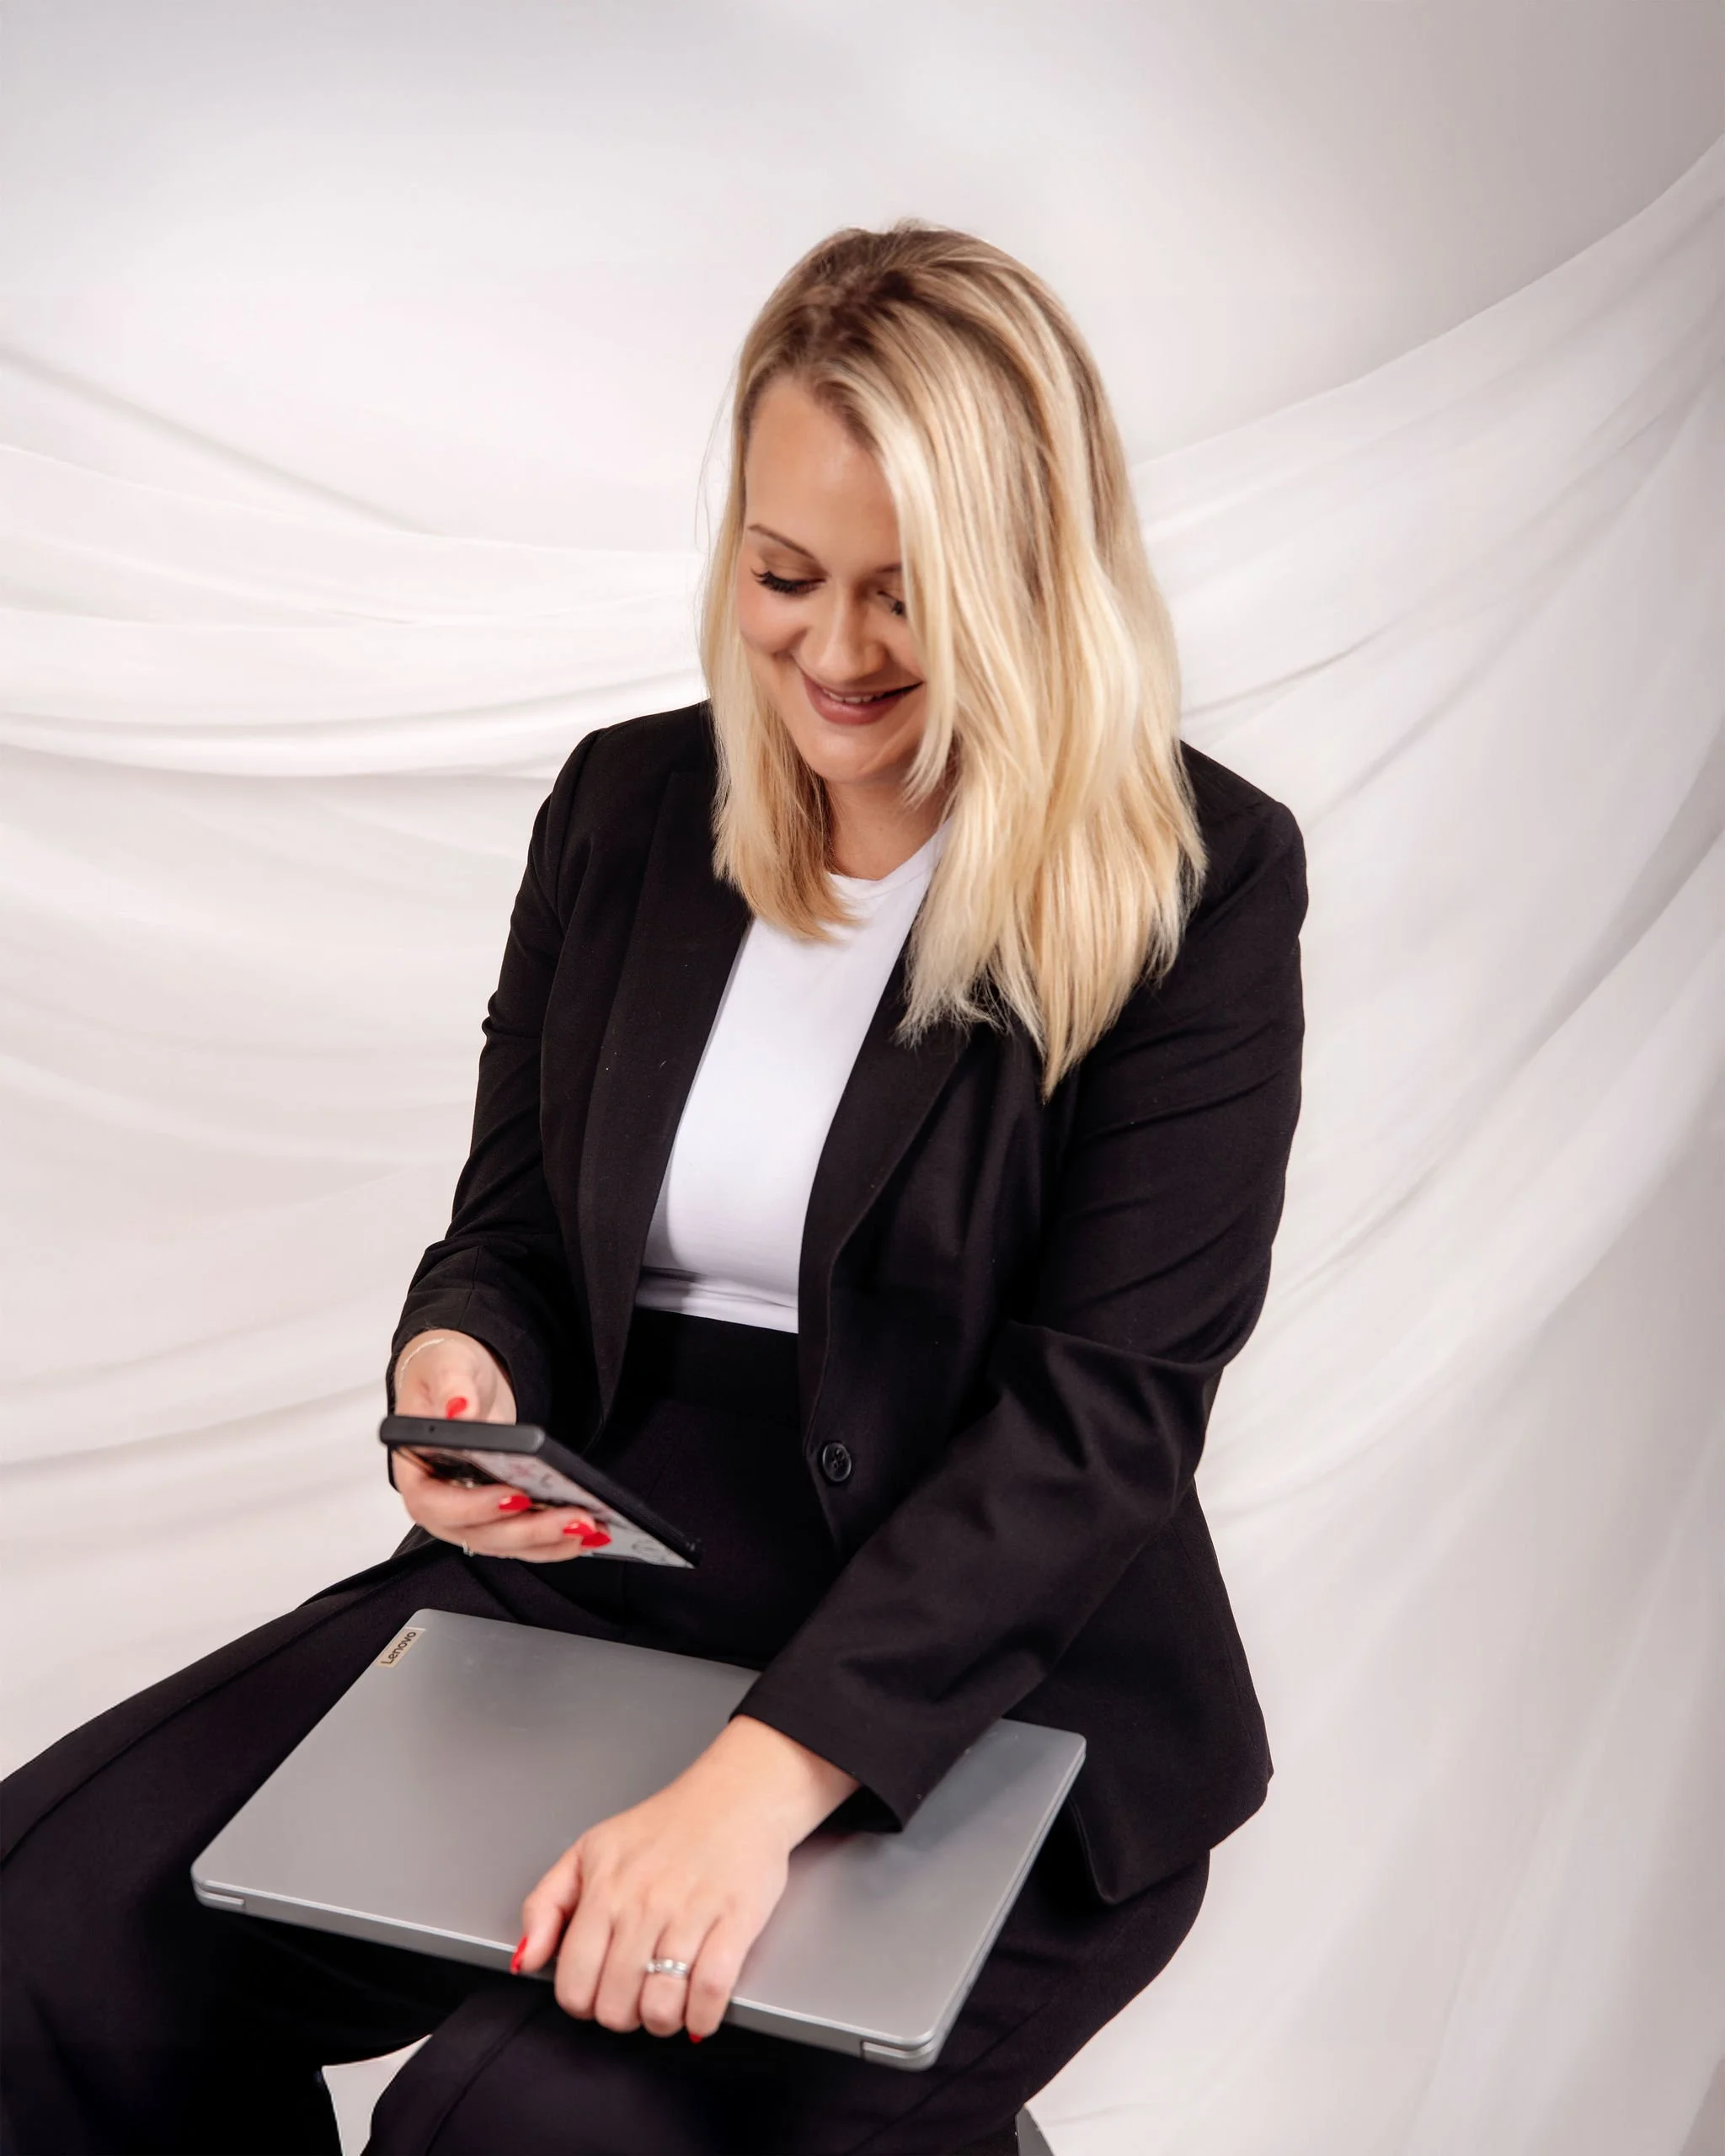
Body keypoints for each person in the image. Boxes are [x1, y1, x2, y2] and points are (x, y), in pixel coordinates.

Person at [0, 222, 1306, 2156]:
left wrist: (761, 1781)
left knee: (507, 2129)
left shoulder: (1198, 878)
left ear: (1035, 579)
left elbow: (1098, 1424)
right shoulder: (624, 807)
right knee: (46, 1939)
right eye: (786, 576)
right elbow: (516, 1227)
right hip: (603, 1586)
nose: (837, 653)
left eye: (908, 594)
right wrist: (465, 1356)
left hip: (999, 1666)